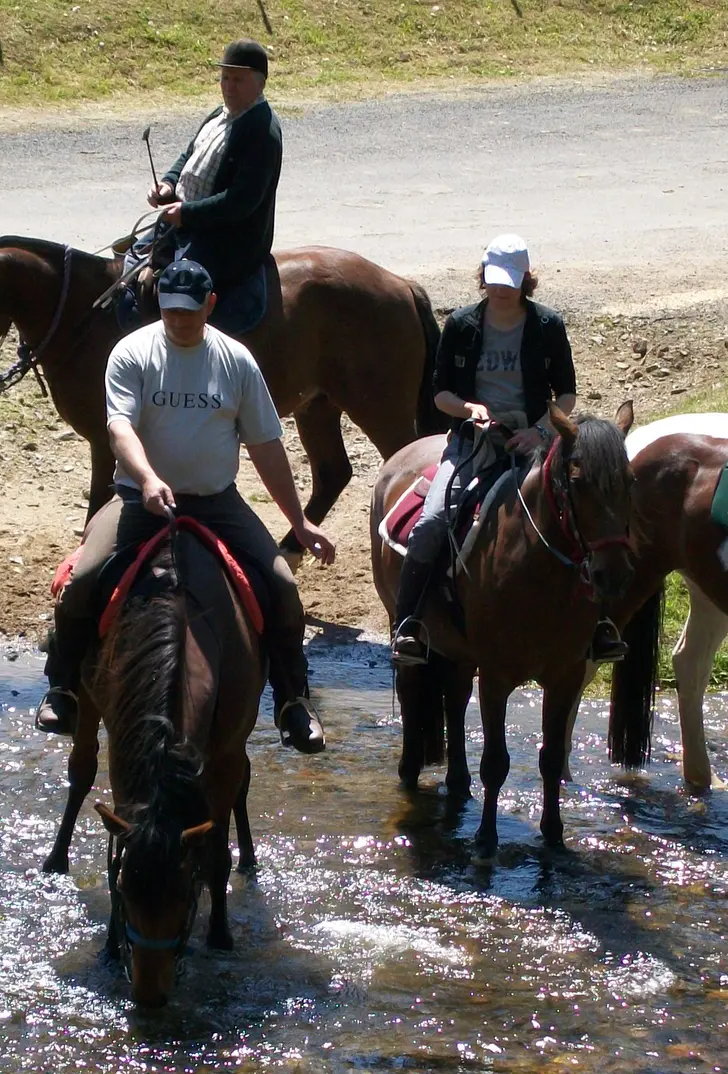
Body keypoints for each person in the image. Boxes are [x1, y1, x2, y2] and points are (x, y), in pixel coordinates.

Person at [35, 260, 334, 754]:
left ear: (210, 304)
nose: (179, 321)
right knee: (83, 579)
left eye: (189, 313)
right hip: (138, 500)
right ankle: (62, 685)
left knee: (281, 584)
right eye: (171, 311)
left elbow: (265, 446)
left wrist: (298, 521)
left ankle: (292, 700)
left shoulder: (235, 360)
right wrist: (148, 479)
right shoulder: (132, 353)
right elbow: (119, 428)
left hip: (218, 502)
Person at [389, 235, 625, 667]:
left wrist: (539, 431)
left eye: (509, 282)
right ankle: (408, 624)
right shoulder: (461, 325)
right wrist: (470, 408)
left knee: (588, 515)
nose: (500, 290)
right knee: (434, 519)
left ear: (525, 282)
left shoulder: (548, 325)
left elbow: (567, 394)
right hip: (472, 441)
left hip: (534, 442)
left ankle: (601, 625)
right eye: (494, 281)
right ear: (483, 278)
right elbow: (440, 395)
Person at [147, 39, 283, 335]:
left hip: (227, 238)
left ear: (259, 84)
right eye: (225, 78)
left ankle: (189, 348)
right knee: (131, 259)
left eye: (238, 80)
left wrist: (187, 213)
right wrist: (168, 184)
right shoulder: (219, 115)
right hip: (185, 220)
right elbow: (188, 155)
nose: (228, 87)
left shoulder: (262, 131)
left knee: (181, 287)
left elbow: (240, 201)